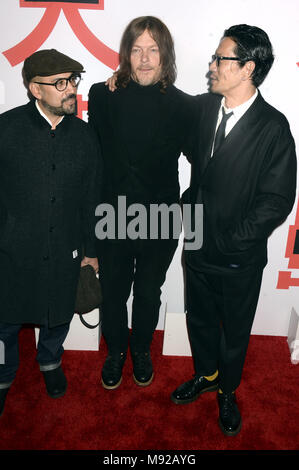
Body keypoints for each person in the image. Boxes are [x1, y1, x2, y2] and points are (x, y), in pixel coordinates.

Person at [171, 24, 297, 436]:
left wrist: (231, 239)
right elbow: (181, 138)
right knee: (200, 320)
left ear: (247, 68)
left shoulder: (273, 128)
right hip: (198, 244)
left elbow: (276, 202)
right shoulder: (207, 108)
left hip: (238, 256)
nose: (212, 65)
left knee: (234, 330)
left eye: (221, 58)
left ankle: (227, 390)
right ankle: (205, 376)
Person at [88, 16, 196, 390]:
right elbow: (94, 161)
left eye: (153, 50)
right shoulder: (102, 95)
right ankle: (116, 350)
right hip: (112, 213)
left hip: (162, 216)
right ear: (126, 55)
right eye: (137, 50)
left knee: (149, 291)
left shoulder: (187, 107)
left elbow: (203, 166)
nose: (145, 58)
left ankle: (141, 349)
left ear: (165, 55)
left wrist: (193, 220)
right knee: (114, 291)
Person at [0, 49, 102, 417]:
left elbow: (93, 195)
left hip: (66, 249)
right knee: (4, 322)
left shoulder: (85, 135)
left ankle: (49, 361)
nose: (70, 89)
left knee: (58, 312)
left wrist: (91, 249)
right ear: (34, 89)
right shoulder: (5, 129)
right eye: (60, 83)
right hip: (12, 251)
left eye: (73, 80)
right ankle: (2, 374)